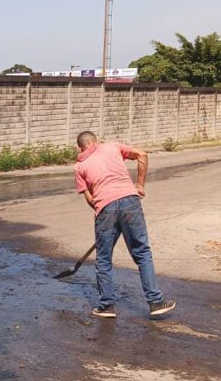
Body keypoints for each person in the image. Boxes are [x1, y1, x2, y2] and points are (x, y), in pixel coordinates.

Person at [74, 131, 175, 319]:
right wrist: (140, 185)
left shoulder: (79, 166)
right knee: (142, 252)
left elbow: (90, 199)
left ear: (80, 148)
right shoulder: (112, 147)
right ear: (96, 141)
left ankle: (107, 307)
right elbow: (142, 154)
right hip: (130, 201)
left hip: (105, 208)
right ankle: (156, 303)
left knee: (104, 259)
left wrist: (105, 214)